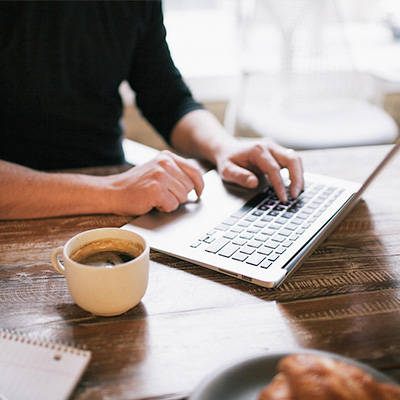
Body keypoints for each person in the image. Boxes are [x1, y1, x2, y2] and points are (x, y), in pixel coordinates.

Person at [0, 1, 304, 220]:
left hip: (110, 190)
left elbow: (166, 96)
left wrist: (223, 146)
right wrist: (113, 191)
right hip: (22, 206)